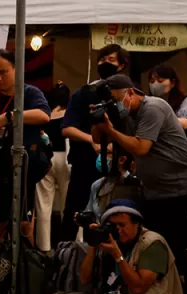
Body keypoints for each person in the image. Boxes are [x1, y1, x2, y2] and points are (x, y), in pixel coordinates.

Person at [93, 73, 187, 294]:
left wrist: (111, 129)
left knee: (180, 248)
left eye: (116, 100)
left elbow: (141, 147)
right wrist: (99, 121)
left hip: (178, 189)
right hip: (154, 191)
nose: (115, 105)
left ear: (130, 93)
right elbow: (97, 140)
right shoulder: (125, 113)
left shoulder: (153, 107)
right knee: (156, 249)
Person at [46, 200, 186, 294]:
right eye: (113, 225)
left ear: (136, 224)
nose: (118, 230)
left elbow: (138, 288)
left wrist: (117, 255)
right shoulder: (109, 238)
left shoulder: (153, 244)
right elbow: (84, 278)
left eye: (122, 225)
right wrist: (94, 243)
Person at [0, 49, 51, 244]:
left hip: (21, 167)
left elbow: (44, 116)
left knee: (24, 225)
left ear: (16, 69)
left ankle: (25, 268)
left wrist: (10, 116)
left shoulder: (29, 92)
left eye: (3, 72)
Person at [62, 45, 129, 245]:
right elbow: (67, 129)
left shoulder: (127, 95)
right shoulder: (84, 93)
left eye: (111, 59)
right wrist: (93, 141)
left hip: (116, 167)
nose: (105, 63)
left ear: (122, 65)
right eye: (102, 59)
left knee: (113, 216)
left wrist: (114, 146)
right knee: (74, 213)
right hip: (84, 163)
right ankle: (63, 257)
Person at [34, 82, 71, 253]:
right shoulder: (70, 114)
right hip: (66, 159)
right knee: (68, 204)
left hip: (46, 159)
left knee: (43, 204)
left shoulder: (44, 115)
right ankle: (69, 244)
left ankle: (43, 245)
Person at [149, 65, 187, 132]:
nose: (155, 84)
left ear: (173, 82)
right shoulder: (148, 104)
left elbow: (185, 124)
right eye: (152, 81)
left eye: (160, 80)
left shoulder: (186, 101)